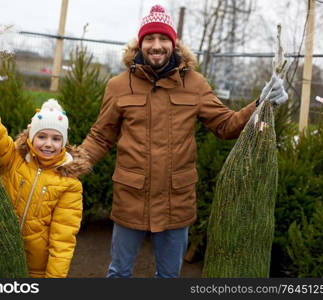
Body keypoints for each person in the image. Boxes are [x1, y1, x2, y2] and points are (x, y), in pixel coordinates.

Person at [79, 5, 288, 278]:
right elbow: (100, 136)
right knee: (118, 273)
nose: (156, 45)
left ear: (173, 43)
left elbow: (226, 125)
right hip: (131, 197)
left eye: (163, 39)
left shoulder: (195, 84)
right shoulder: (119, 86)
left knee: (169, 278)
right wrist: (71, 164)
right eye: (149, 39)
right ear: (140, 44)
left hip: (176, 201)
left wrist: (261, 103)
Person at [0, 50, 91, 278]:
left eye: (56, 138)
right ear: (30, 137)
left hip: (35, 270)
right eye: (42, 136)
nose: (48, 144)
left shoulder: (69, 185)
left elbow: (63, 241)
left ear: (64, 143)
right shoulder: (13, 160)